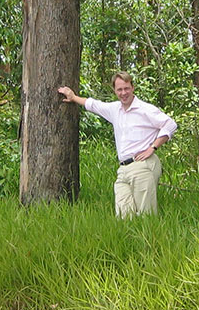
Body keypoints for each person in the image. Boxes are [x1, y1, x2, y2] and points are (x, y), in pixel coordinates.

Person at [58, 72, 177, 217]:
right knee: (124, 215)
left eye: (126, 88)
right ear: (114, 91)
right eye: (119, 90)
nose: (123, 93)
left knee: (146, 215)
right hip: (123, 170)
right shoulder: (115, 109)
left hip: (142, 165)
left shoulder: (145, 109)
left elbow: (170, 125)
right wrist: (73, 97)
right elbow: (94, 105)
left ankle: (150, 239)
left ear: (133, 87)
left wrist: (153, 147)